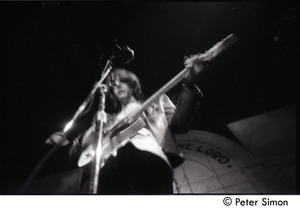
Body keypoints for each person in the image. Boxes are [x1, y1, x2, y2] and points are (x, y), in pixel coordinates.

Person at [50, 55, 206, 194]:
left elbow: (179, 123)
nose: (117, 86)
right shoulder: (107, 119)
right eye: (113, 85)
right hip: (111, 167)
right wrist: (94, 129)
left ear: (132, 85)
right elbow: (80, 151)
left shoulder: (157, 102)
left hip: (150, 161)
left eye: (122, 81)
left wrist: (189, 85)